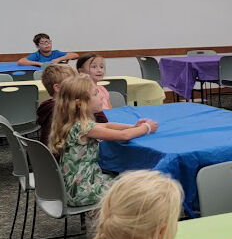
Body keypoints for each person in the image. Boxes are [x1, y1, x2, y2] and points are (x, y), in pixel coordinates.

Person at [49, 75, 156, 206]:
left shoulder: (74, 123)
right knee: (137, 186)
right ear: (79, 103)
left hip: (76, 184)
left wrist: (134, 126)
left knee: (128, 179)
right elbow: (124, 136)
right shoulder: (84, 127)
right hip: (83, 190)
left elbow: (107, 125)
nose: (101, 96)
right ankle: (126, 220)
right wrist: (147, 127)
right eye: (95, 93)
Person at [35, 64, 77, 147]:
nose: (77, 86)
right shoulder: (62, 109)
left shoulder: (48, 106)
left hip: (48, 154)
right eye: (73, 83)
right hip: (60, 155)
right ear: (57, 88)